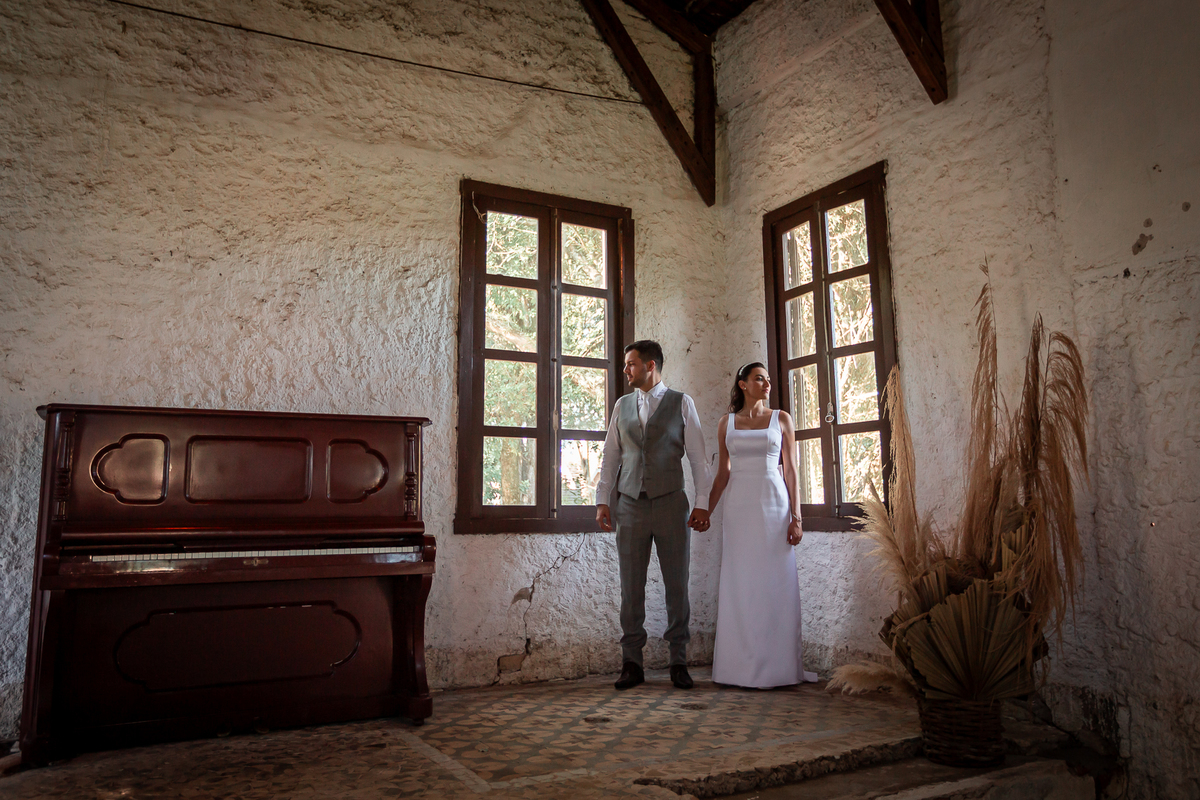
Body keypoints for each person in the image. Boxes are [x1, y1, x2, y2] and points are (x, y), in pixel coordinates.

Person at [595, 340, 713, 690]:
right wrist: (604, 499)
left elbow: (697, 457)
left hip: (670, 504)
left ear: (650, 365)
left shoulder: (681, 403)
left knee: (677, 585)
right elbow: (610, 457)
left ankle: (679, 661)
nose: (626, 370)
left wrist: (703, 502)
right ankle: (632, 663)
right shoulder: (622, 405)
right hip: (629, 505)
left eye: (630, 364)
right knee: (631, 588)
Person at [708, 362, 819, 688]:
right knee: (740, 583)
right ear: (742, 384)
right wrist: (705, 510)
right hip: (739, 510)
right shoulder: (725, 423)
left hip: (774, 507)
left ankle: (779, 667)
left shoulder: (781, 418)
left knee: (774, 583)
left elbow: (791, 472)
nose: (767, 383)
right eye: (759, 378)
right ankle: (737, 668)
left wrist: (796, 518)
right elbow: (723, 475)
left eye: (768, 378)